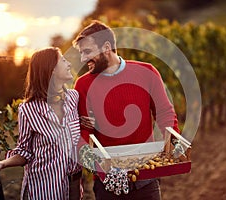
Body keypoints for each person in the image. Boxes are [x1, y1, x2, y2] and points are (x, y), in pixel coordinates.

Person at [73, 20, 180, 200]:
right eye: (81, 53)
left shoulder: (147, 72)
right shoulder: (83, 85)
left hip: (145, 178)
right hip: (108, 182)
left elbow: (164, 113)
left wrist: (173, 142)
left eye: (87, 52)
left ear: (106, 47)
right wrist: (98, 165)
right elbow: (84, 131)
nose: (83, 59)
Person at [0, 47, 82, 200]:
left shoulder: (73, 98)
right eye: (63, 61)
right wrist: (2, 164)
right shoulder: (28, 109)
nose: (69, 64)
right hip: (44, 189)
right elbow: (25, 151)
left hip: (73, 188)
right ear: (51, 70)